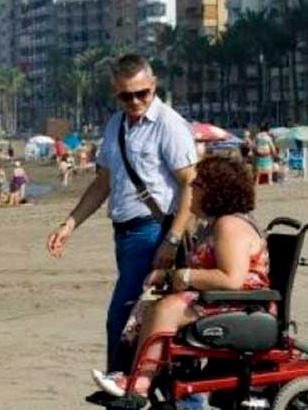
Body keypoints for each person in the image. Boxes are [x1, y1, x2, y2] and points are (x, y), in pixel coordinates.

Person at [46, 53, 198, 410]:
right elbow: (102, 183)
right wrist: (70, 223)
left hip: (153, 231)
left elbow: (189, 186)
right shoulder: (116, 126)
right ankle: (156, 402)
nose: (135, 103)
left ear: (154, 85)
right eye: (125, 96)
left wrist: (173, 239)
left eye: (142, 94)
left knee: (122, 318)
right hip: (125, 233)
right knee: (141, 322)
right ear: (115, 94)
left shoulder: (169, 125)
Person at [94, 156, 271, 397]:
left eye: (196, 185)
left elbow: (232, 279)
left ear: (214, 191)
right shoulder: (214, 225)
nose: (190, 190)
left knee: (166, 309)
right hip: (220, 300)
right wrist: (167, 276)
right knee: (145, 304)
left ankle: (142, 381)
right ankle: (128, 372)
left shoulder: (230, 225)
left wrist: (185, 276)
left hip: (241, 303)